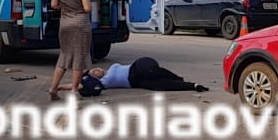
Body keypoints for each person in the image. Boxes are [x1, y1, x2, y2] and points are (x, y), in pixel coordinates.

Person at [49, 0, 94, 102]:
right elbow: (87, 8)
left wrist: (66, 8)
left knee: (64, 56)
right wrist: (80, 7)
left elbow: (54, 4)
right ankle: (74, 90)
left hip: (65, 24)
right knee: (79, 57)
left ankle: (53, 88)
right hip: (80, 25)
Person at [81, 57, 209, 95]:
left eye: (95, 68)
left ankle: (178, 78)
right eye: (94, 72)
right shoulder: (104, 83)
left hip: (138, 66)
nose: (96, 69)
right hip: (137, 81)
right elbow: (79, 85)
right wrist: (60, 87)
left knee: (150, 71)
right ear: (95, 78)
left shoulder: (111, 68)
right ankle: (193, 86)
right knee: (159, 86)